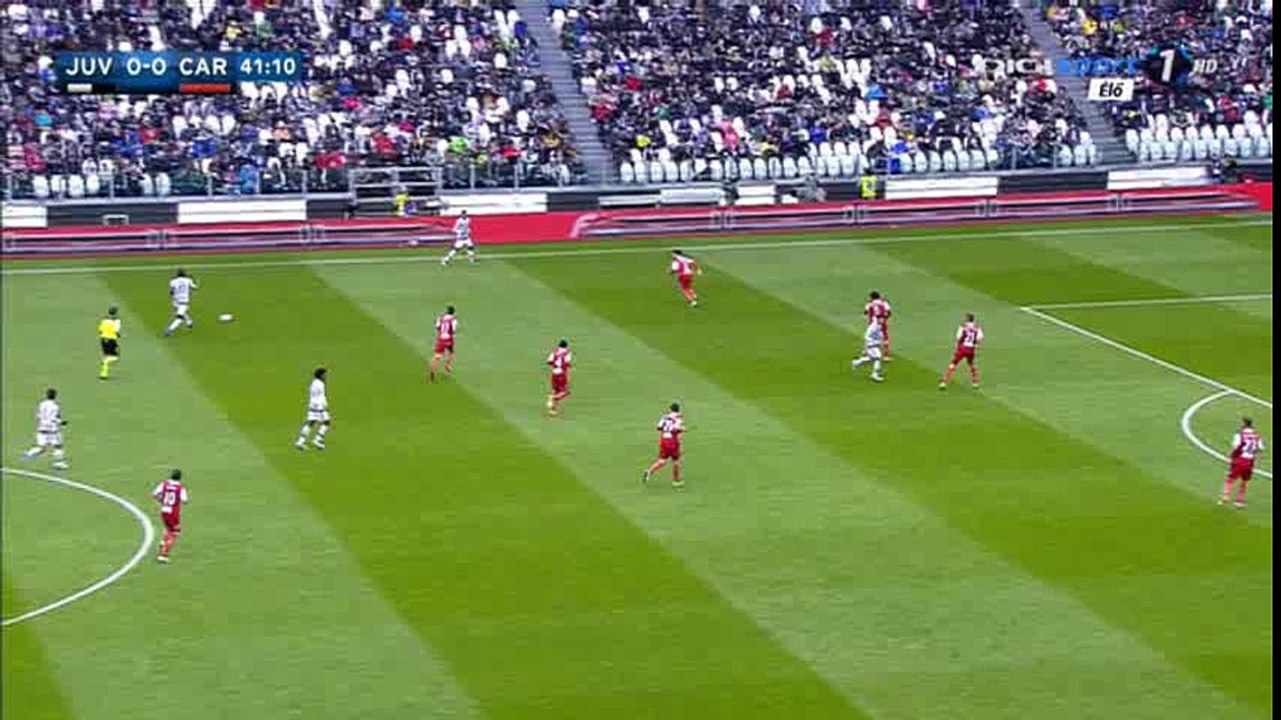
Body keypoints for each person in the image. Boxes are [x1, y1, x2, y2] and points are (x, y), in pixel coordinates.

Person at [1220, 417, 1265, 508]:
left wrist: (1231, 455)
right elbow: (1260, 448)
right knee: (1244, 481)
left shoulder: (1239, 435)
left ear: (1244, 424)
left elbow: (1236, 446)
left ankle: (1225, 497)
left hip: (1240, 459)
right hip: (1250, 460)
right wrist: (1252, 451)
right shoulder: (1256, 436)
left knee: (1230, 479)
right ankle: (1240, 500)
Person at [22, 387, 69, 470]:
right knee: (58, 447)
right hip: (52, 430)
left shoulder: (42, 404)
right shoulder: (55, 407)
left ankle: (28, 455)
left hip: (41, 429)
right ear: (55, 396)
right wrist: (61, 422)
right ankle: (59, 463)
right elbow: (54, 418)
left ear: (47, 395)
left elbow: (38, 416)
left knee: (41, 448)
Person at [643, 402, 686, 487]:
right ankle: (676, 481)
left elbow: (658, 428)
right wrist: (682, 429)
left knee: (662, 460)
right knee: (676, 461)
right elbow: (676, 429)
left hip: (664, 440)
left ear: (670, 409)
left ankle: (649, 472)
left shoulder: (664, 417)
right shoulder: (679, 418)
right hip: (673, 442)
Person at [152, 469, 189, 563]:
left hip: (164, 510)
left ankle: (163, 541)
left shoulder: (164, 484)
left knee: (167, 527)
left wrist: (162, 500)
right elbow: (184, 500)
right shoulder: (180, 488)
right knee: (175, 533)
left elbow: (154, 494)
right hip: (173, 512)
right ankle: (163, 555)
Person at [940, 313, 984, 390]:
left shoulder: (963, 326)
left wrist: (960, 343)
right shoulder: (977, 327)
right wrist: (975, 344)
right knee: (971, 364)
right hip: (971, 349)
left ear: (967, 319)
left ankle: (944, 382)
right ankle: (975, 383)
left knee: (953, 364)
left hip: (962, 348)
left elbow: (958, 337)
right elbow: (980, 338)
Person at [295, 367, 331, 450]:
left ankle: (300, 441)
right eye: (325, 374)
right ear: (321, 375)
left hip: (312, 405)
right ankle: (317, 440)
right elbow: (320, 396)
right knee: (326, 422)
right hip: (319, 406)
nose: (326, 376)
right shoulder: (320, 384)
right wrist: (323, 406)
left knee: (311, 422)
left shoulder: (314, 383)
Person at [164, 269, 198, 337]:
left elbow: (171, 292)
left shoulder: (172, 281)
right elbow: (195, 287)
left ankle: (189, 322)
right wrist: (193, 280)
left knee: (181, 313)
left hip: (175, 301)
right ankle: (170, 329)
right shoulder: (188, 280)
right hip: (184, 301)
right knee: (179, 317)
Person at [429, 306, 458, 382]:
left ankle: (432, 373)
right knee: (451, 352)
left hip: (441, 339)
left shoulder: (440, 318)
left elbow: (437, 327)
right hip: (449, 339)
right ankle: (447, 365)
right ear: (453, 312)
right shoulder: (453, 319)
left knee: (436, 357)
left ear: (446, 311)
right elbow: (453, 330)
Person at [546, 339, 573, 416]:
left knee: (555, 390)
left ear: (559, 345)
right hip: (561, 374)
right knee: (566, 392)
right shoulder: (567, 353)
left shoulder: (554, 352)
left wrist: (555, 364)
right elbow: (567, 363)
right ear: (566, 346)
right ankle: (553, 398)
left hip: (554, 373)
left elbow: (549, 361)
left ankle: (552, 410)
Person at [864, 291, 892, 360]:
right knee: (885, 337)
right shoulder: (884, 302)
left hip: (873, 324)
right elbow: (889, 313)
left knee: (869, 338)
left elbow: (865, 312)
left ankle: (868, 353)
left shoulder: (869, 304)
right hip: (882, 323)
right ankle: (886, 355)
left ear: (871, 297)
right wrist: (884, 319)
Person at [98, 306, 122, 380]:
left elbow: (100, 330)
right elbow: (116, 330)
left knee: (106, 355)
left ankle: (103, 374)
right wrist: (118, 335)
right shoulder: (117, 321)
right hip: (111, 340)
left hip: (103, 339)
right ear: (115, 313)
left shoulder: (104, 320)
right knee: (115, 356)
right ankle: (105, 363)